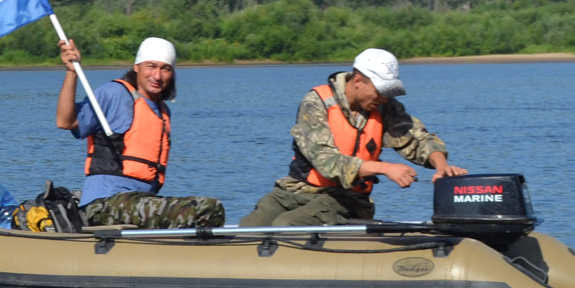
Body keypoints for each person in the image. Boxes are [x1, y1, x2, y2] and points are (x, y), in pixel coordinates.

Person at [238, 48, 465, 230]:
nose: (385, 99)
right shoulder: (316, 103)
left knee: (286, 226)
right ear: (358, 80)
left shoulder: (386, 108)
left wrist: (441, 165)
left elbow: (418, 139)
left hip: (347, 199)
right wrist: (386, 168)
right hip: (295, 190)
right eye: (380, 91)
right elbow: (327, 161)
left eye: (389, 93)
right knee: (249, 227)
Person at [54, 36, 225, 229]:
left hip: (142, 202)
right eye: (151, 66)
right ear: (137, 67)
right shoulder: (114, 93)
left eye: (165, 68)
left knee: (211, 208)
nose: (157, 75)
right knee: (204, 209)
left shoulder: (162, 111)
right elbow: (65, 121)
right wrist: (71, 73)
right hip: (104, 204)